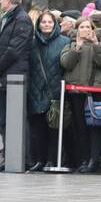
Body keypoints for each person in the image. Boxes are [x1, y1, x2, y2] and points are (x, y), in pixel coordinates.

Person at [0, 0, 33, 169]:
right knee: (4, 119)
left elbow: (13, 51)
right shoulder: (6, 19)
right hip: (4, 76)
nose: (0, 1)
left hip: (15, 76)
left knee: (16, 119)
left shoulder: (22, 20)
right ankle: (9, 156)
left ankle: (22, 158)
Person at [60, 17, 101, 172]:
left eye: (88, 27)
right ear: (77, 29)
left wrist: (96, 44)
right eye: (82, 26)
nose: (85, 29)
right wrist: (77, 48)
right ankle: (83, 159)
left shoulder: (100, 45)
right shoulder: (71, 45)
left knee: (95, 127)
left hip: (95, 91)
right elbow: (66, 63)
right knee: (79, 127)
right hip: (76, 92)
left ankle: (94, 160)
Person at [28, 11, 69, 171]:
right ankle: (40, 159)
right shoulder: (31, 43)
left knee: (54, 128)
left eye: (49, 22)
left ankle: (52, 160)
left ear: (55, 24)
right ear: (38, 24)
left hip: (56, 90)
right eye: (43, 22)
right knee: (38, 130)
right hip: (36, 91)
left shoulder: (64, 41)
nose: (46, 25)